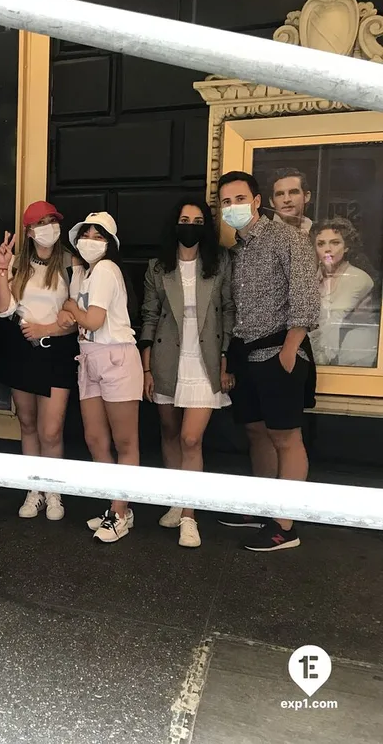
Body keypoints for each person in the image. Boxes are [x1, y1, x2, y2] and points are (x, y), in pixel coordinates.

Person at [217, 170, 319, 552]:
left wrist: (290, 350)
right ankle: (262, 506)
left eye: (239, 199)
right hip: (246, 355)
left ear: (257, 201)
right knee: (256, 432)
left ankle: (284, 524)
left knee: (285, 437)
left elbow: (306, 296)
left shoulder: (286, 238)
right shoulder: (235, 251)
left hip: (279, 353)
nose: (233, 207)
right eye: (226, 202)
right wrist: (230, 360)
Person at [140, 197, 235, 548]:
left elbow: (228, 310)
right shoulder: (157, 267)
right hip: (167, 356)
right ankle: (176, 499)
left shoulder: (220, 262)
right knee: (169, 430)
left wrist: (226, 360)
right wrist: (146, 367)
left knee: (191, 438)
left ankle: (189, 516)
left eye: (197, 221)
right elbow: (149, 317)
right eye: (184, 219)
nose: (190, 225)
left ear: (205, 227)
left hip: (206, 357)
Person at [0, 201, 77, 522]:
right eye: (40, 222)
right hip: (21, 349)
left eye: (51, 220)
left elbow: (75, 313)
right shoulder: (17, 266)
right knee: (27, 424)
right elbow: (2, 308)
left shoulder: (71, 263)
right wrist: (1, 268)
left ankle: (54, 490)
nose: (47, 227)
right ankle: (34, 489)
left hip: (57, 351)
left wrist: (48, 329)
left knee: (51, 430)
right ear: (28, 231)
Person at [57, 212, 141, 544]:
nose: (90, 240)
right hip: (89, 357)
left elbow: (91, 319)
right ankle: (117, 505)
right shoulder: (84, 271)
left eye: (98, 235)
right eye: (85, 234)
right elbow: (72, 316)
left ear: (110, 243)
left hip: (115, 356)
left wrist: (71, 310)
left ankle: (120, 512)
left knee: (125, 442)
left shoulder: (107, 269)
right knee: (94, 437)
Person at [308, 218, 377, 367]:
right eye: (321, 244)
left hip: (355, 353)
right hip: (323, 357)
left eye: (335, 242)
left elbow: (333, 320)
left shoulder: (357, 278)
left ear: (346, 247)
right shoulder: (315, 278)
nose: (327, 249)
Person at [268, 168, 313, 234]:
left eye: (293, 192)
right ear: (271, 201)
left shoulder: (318, 234)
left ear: (306, 196)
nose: (287, 199)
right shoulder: (261, 237)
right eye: (280, 194)